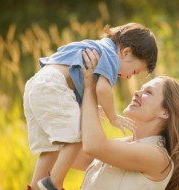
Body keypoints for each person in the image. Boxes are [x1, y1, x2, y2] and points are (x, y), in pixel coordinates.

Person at [23, 23, 158, 190]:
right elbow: (102, 89)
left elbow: (72, 75)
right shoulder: (110, 56)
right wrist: (113, 117)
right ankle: (54, 183)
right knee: (79, 133)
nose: (129, 77)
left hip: (36, 86)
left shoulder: (96, 46)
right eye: (135, 71)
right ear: (126, 52)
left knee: (50, 148)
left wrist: (90, 107)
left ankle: (37, 186)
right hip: (53, 86)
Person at [71, 49, 179, 190]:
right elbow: (71, 155)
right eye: (140, 89)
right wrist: (76, 112)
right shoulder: (120, 145)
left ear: (165, 112)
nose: (136, 93)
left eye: (148, 92)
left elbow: (94, 146)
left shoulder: (157, 157)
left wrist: (90, 89)